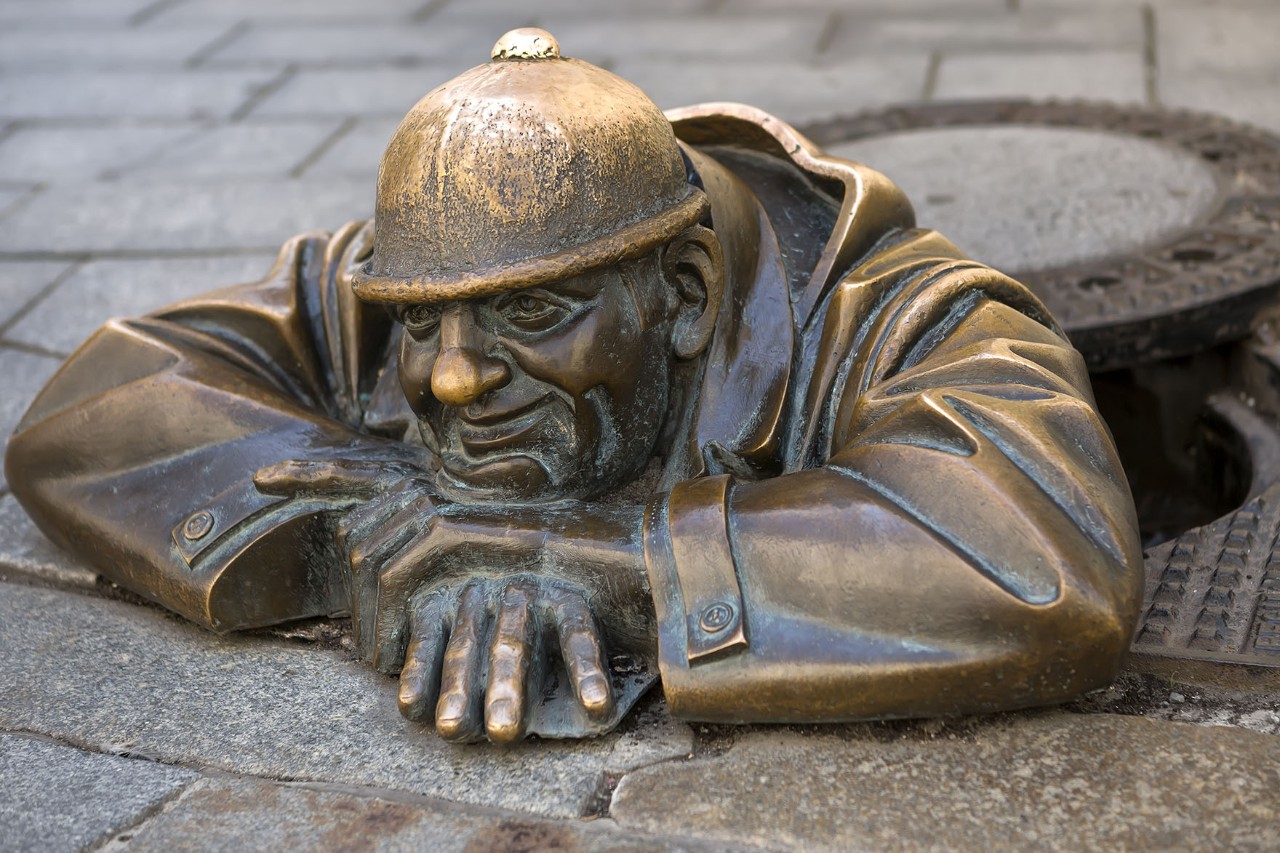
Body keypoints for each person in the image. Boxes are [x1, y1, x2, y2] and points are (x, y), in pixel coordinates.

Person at [6, 30, 1143, 744]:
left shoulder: (895, 311)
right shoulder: (440, 266)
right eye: (419, 325)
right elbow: (99, 402)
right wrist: (366, 523)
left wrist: (614, 561)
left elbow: (1040, 557)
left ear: (687, 292)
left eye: (534, 316)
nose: (450, 375)